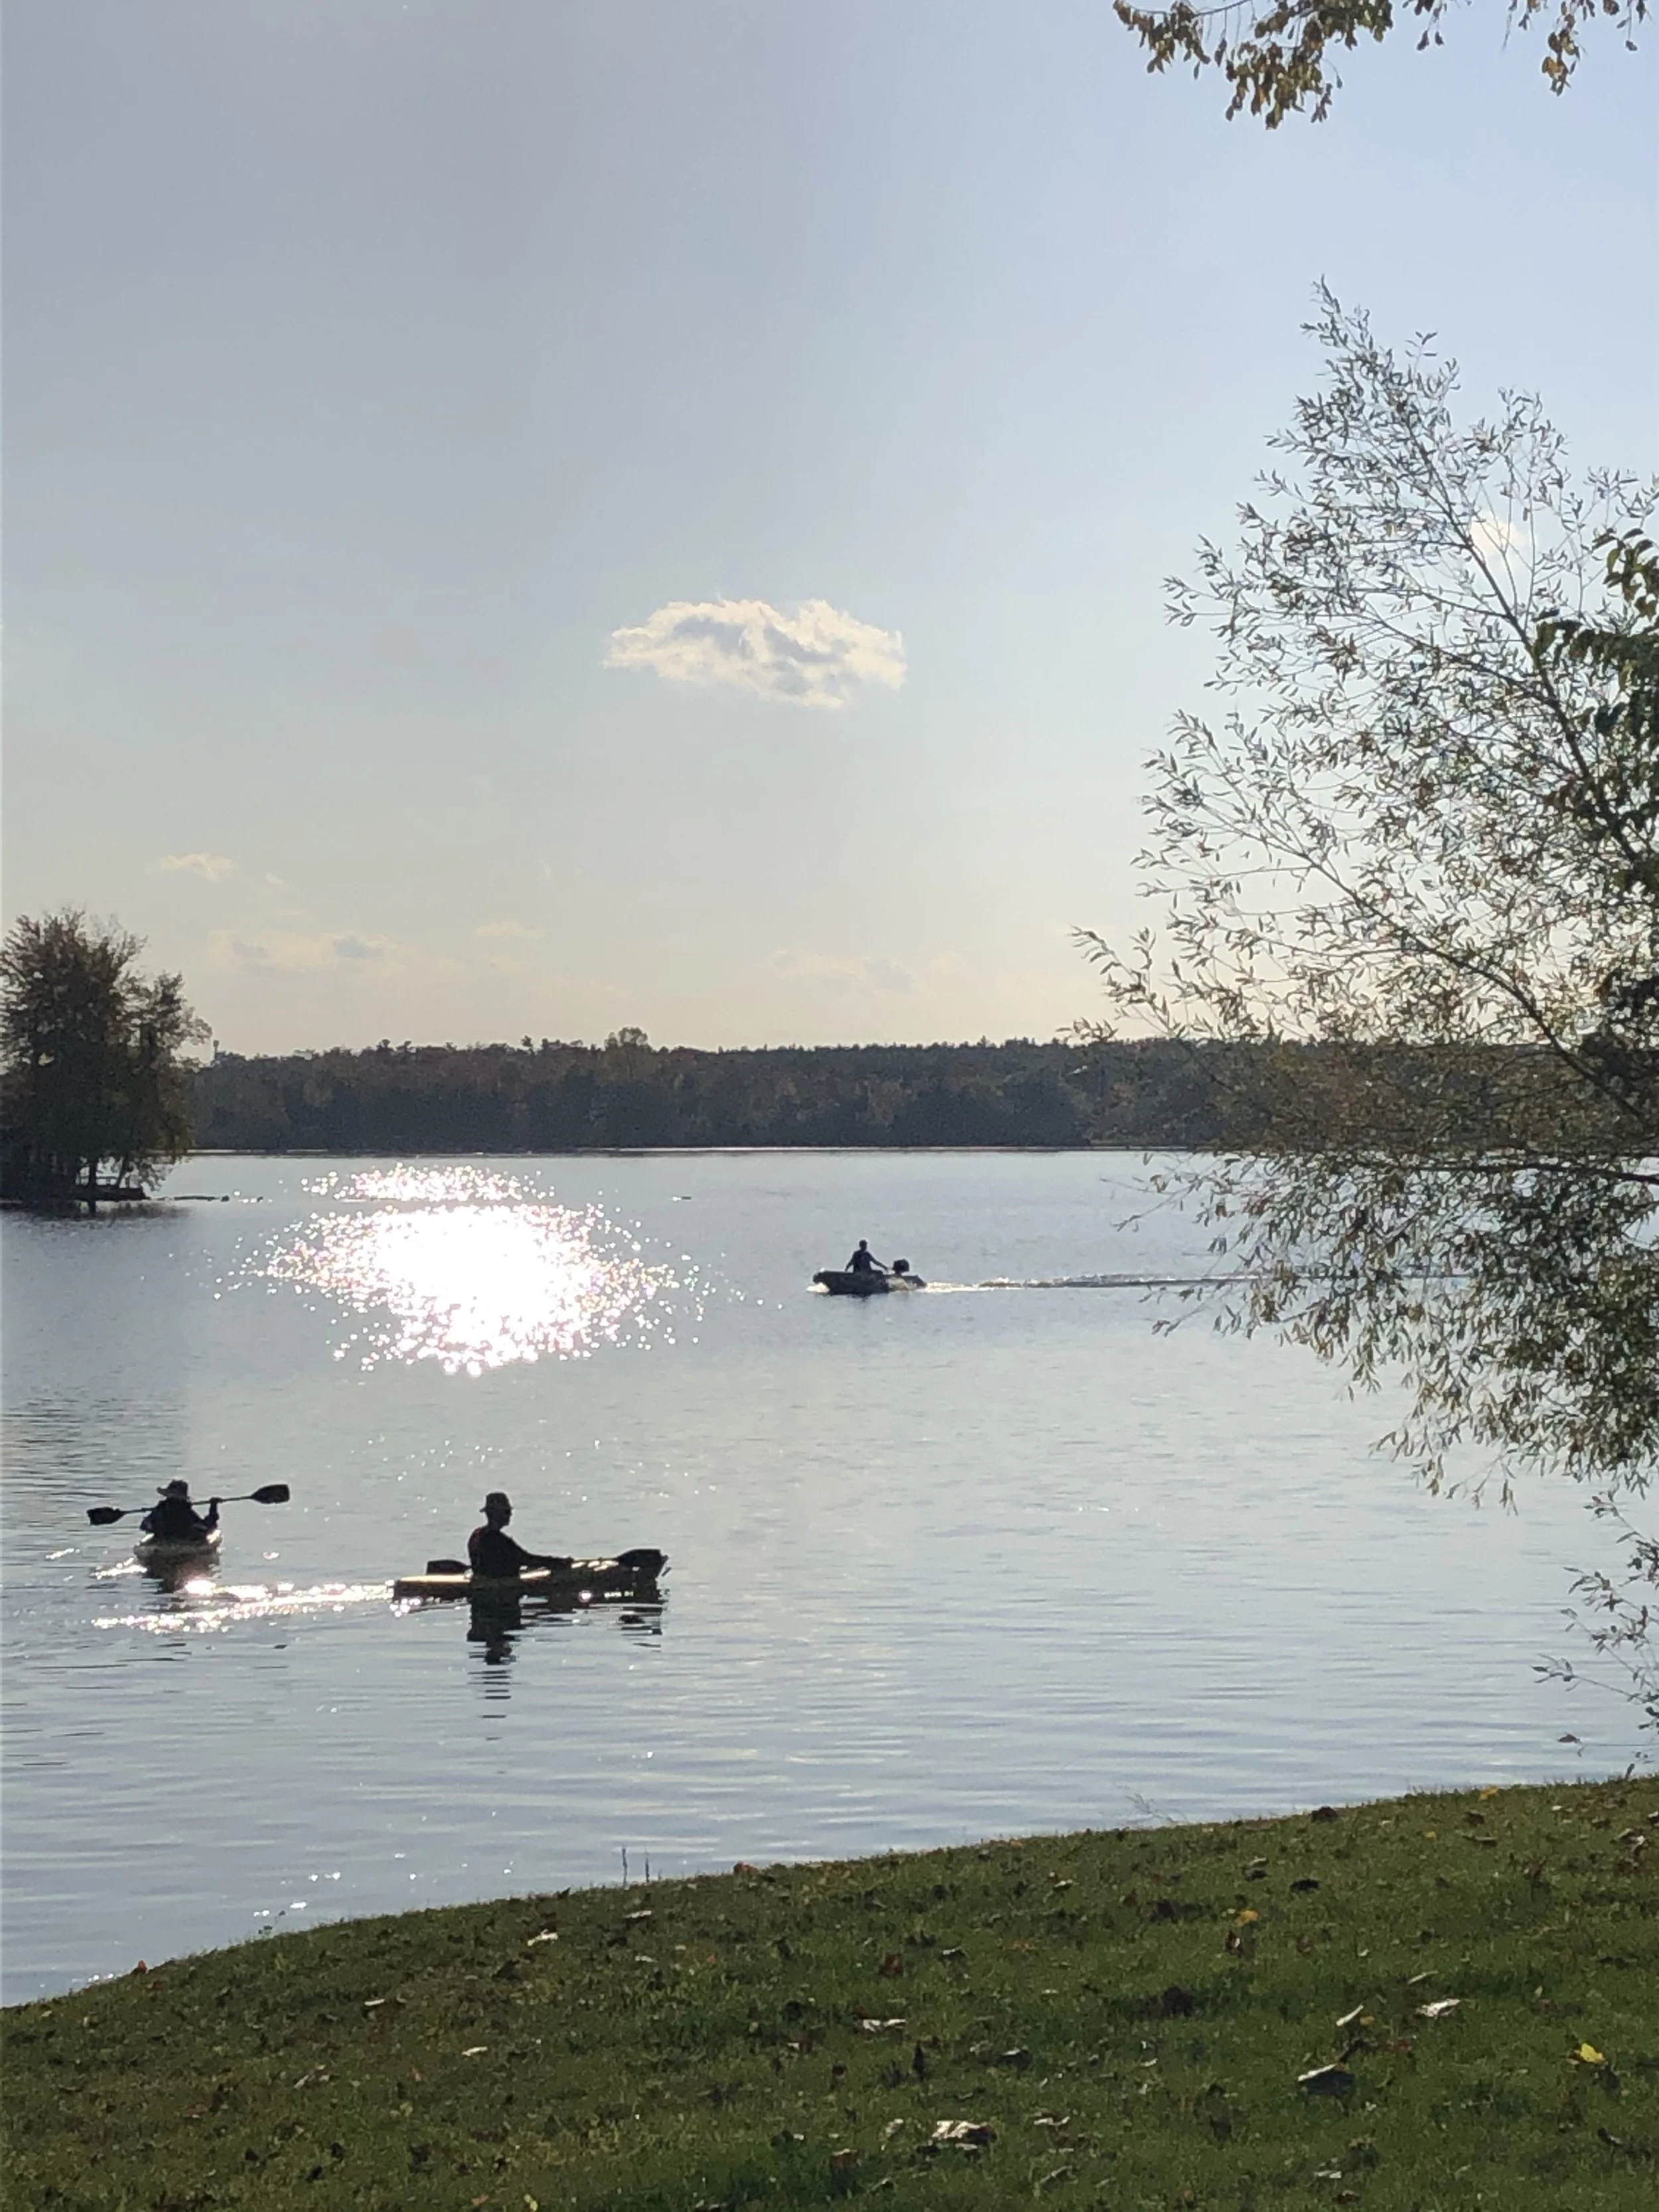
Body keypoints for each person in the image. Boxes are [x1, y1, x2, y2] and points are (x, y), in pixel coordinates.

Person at [468, 1491, 571, 1580]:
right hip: (501, 1587)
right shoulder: (498, 1540)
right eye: (507, 1512)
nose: (511, 1515)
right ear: (496, 1514)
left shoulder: (476, 1535)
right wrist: (559, 1563)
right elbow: (527, 1559)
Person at [141, 1481, 220, 1543]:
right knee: (210, 1526)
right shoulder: (186, 1513)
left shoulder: (159, 1510)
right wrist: (213, 1507)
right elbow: (205, 1527)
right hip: (185, 1540)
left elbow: (144, 1525)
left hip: (163, 1539)